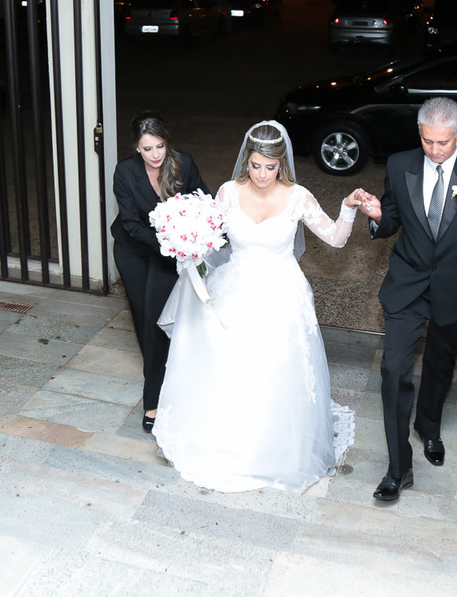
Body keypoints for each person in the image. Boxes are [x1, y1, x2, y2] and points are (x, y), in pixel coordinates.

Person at [152, 120, 363, 493]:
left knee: (275, 370)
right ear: (245, 161)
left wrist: (347, 208)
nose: (262, 175)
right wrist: (187, 241)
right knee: (232, 369)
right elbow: (209, 236)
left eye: (270, 167)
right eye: (255, 166)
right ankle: (228, 440)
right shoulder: (228, 192)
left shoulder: (298, 196)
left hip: (282, 294)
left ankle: (273, 448)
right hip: (235, 288)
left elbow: (335, 238)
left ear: (282, 163)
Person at [358, 97, 457, 502]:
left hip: (456, 288)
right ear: (420, 133)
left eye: (443, 142)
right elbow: (393, 218)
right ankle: (398, 469)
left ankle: (428, 425)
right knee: (393, 369)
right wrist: (379, 216)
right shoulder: (400, 165)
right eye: (427, 141)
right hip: (407, 284)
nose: (434, 150)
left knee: (439, 363)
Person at [111, 111, 208, 432]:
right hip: (134, 251)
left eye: (160, 146)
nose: (155, 155)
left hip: (168, 255)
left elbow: (204, 202)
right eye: (147, 149)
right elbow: (131, 224)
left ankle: (152, 400)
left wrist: (195, 236)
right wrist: (171, 242)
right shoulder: (125, 172)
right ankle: (160, 377)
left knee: (157, 321)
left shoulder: (184, 163)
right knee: (143, 320)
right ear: (136, 148)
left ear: (168, 142)